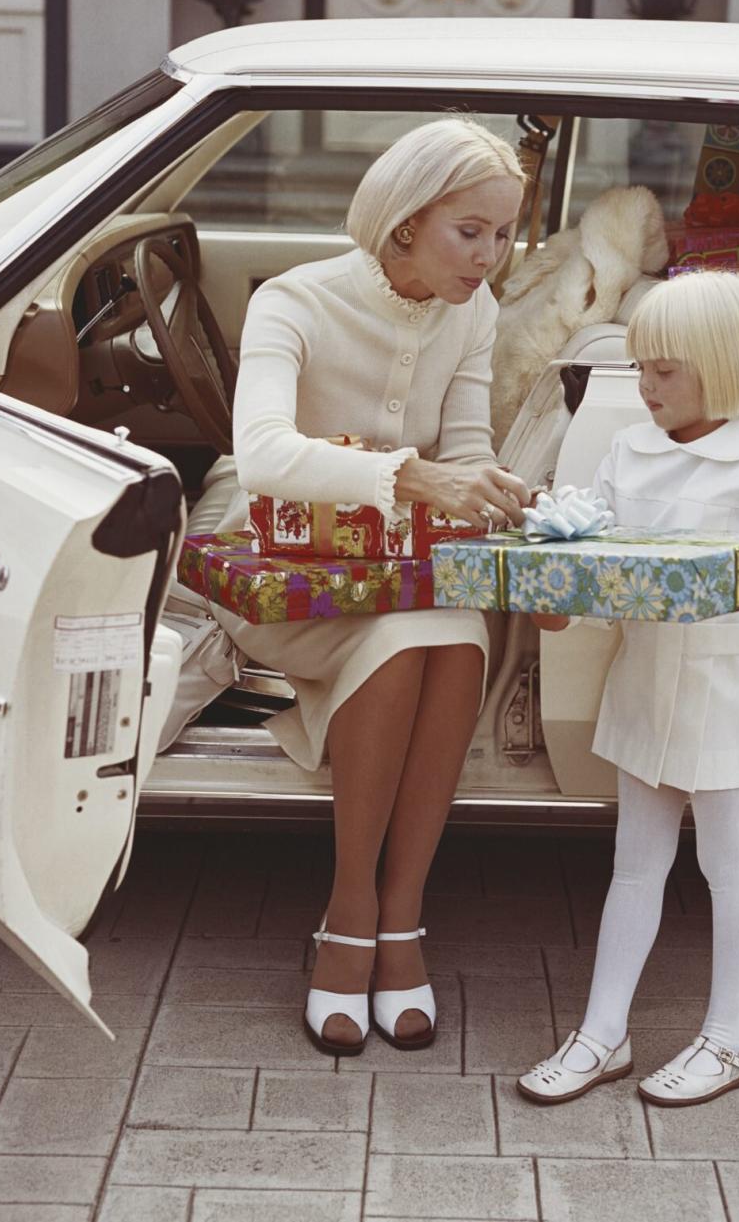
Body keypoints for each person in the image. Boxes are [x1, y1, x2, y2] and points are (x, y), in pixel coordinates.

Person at [210, 117, 530, 1056]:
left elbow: (465, 448)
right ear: (402, 225)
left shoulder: (474, 311)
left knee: (457, 638)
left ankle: (403, 915)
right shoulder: (294, 303)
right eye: (470, 232)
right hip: (287, 577)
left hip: (404, 570)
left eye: (505, 234)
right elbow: (259, 454)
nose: (491, 257)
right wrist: (413, 476)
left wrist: (499, 492)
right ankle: (350, 910)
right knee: (406, 642)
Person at [517, 270, 739, 1107]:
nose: (646, 386)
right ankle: (603, 1033)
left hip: (725, 691)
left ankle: (729, 1036)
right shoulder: (626, 452)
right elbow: (596, 557)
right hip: (643, 682)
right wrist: (557, 597)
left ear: (722, 365)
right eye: (641, 367)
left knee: (726, 862)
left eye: (665, 369)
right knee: (633, 865)